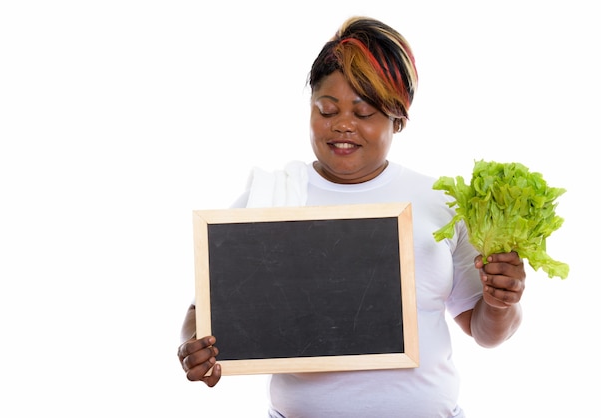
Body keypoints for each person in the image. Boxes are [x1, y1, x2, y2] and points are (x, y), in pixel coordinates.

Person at [178, 16, 525, 417]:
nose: (342, 125)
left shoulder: (441, 203)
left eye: (364, 114)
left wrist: (501, 303)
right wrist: (193, 348)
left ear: (399, 118)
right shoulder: (269, 197)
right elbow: (202, 311)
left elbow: (484, 332)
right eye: (327, 110)